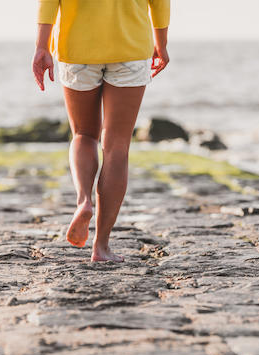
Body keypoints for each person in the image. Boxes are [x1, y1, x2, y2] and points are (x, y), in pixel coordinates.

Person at [32, 0, 170, 262]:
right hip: (131, 48)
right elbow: (160, 2)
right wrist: (161, 43)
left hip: (77, 49)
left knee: (83, 134)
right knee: (117, 145)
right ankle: (101, 246)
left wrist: (41, 46)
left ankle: (84, 200)